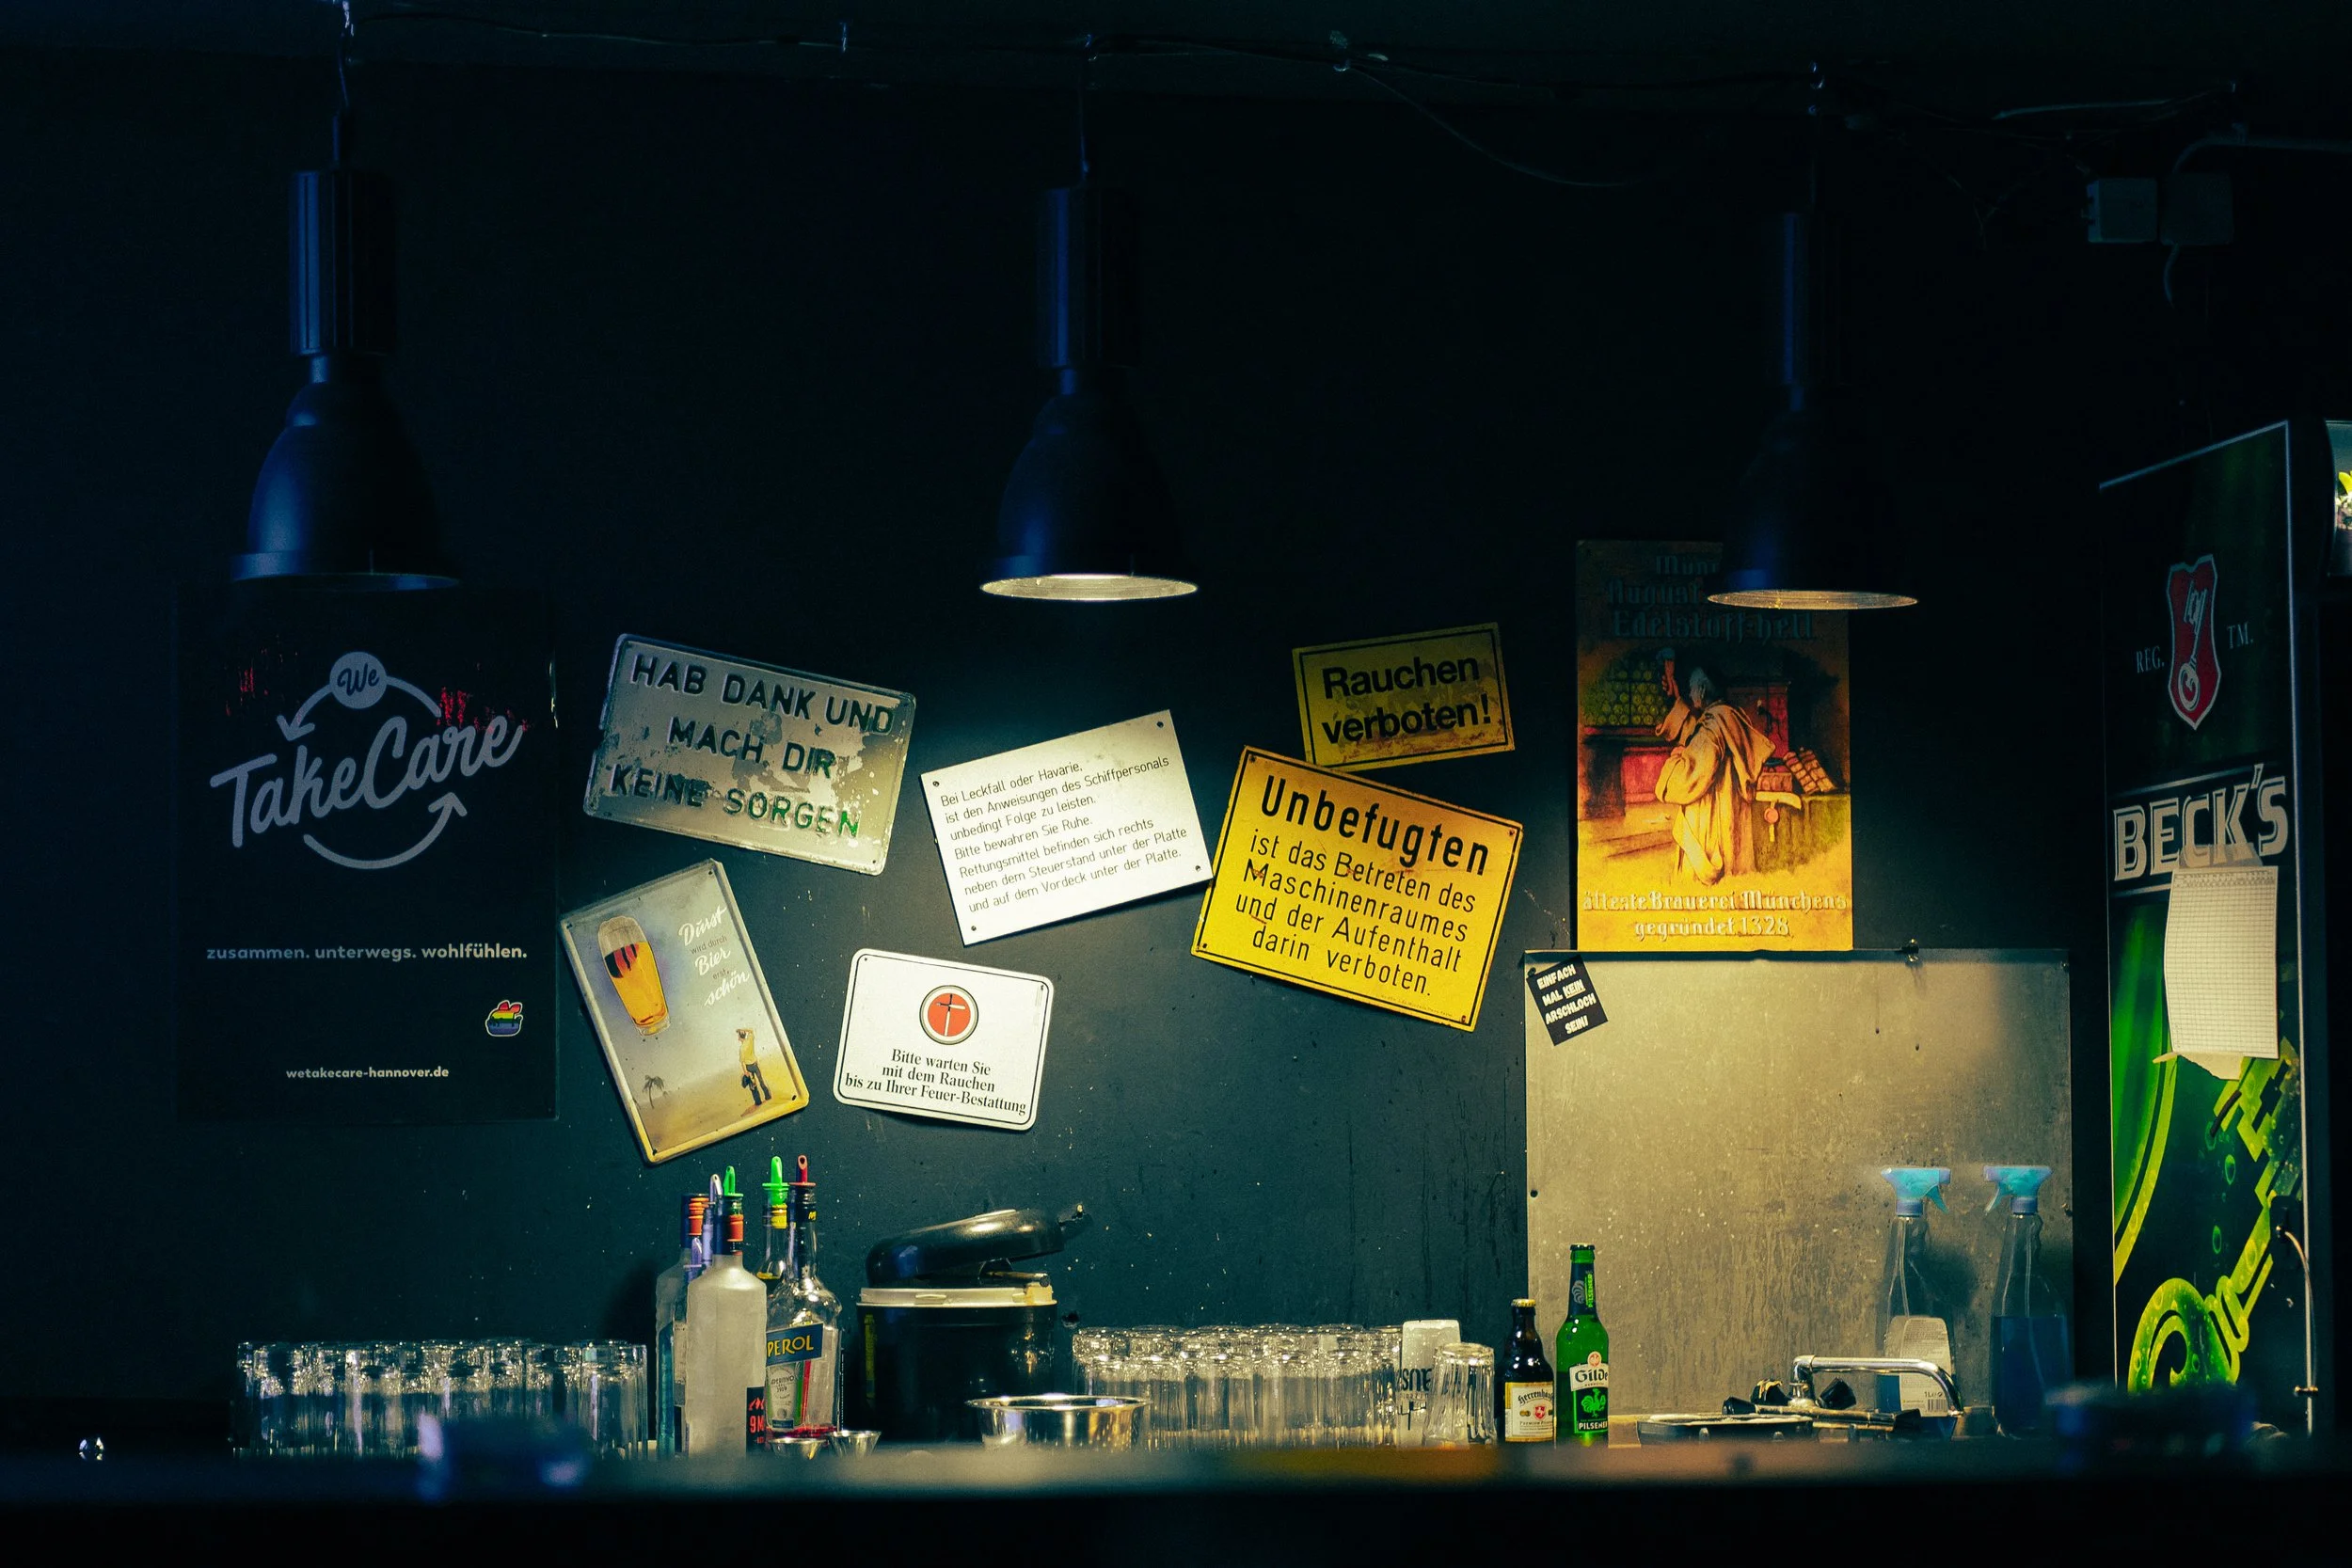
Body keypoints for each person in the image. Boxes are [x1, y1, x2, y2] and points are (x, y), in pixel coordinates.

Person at [1653, 663, 1778, 885]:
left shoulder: (1714, 725)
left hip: (1711, 826)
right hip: (1729, 822)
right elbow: (1696, 737)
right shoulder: (1730, 718)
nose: (1690, 695)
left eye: (1691, 689)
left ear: (1701, 690)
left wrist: (1676, 759)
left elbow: (1688, 779)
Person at [738, 1026, 771, 1108]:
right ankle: (767, 1096)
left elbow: (742, 1063)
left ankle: (758, 1102)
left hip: (749, 1067)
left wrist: (746, 1072)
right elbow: (751, 1031)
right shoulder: (750, 1040)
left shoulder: (741, 1049)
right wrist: (742, 1030)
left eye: (738, 1036)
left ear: (739, 1037)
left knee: (753, 1085)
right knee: (761, 1081)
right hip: (755, 1065)